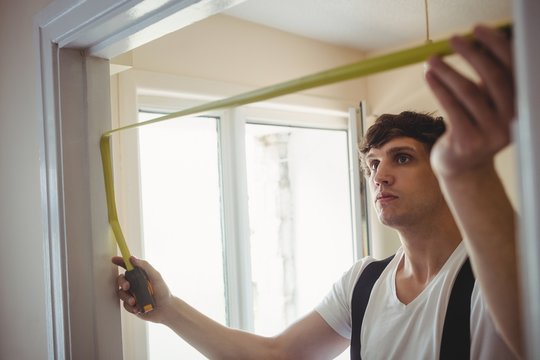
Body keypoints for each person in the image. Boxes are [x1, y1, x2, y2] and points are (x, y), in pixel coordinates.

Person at [113, 25, 521, 359]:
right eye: (374, 164)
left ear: (442, 171)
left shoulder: (490, 275)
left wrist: (470, 174)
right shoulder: (362, 282)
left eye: (402, 158)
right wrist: (168, 309)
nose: (379, 176)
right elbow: (276, 355)